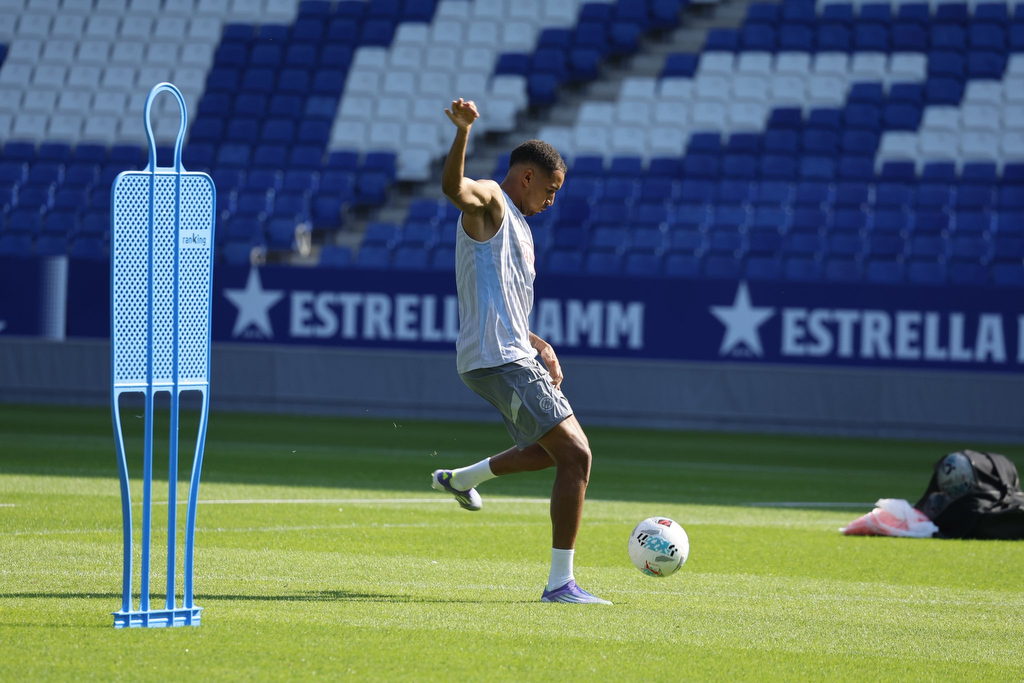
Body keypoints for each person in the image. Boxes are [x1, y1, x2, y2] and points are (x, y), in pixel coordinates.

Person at [430, 97, 610, 605]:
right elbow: (454, 189)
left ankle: (462, 479)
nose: (552, 201)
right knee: (577, 455)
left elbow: (502, 304)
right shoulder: (491, 200)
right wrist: (463, 131)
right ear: (526, 176)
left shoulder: (521, 229)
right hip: (498, 359)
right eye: (550, 189)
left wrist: (538, 342)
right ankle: (560, 585)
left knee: (551, 452)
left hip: (509, 352)